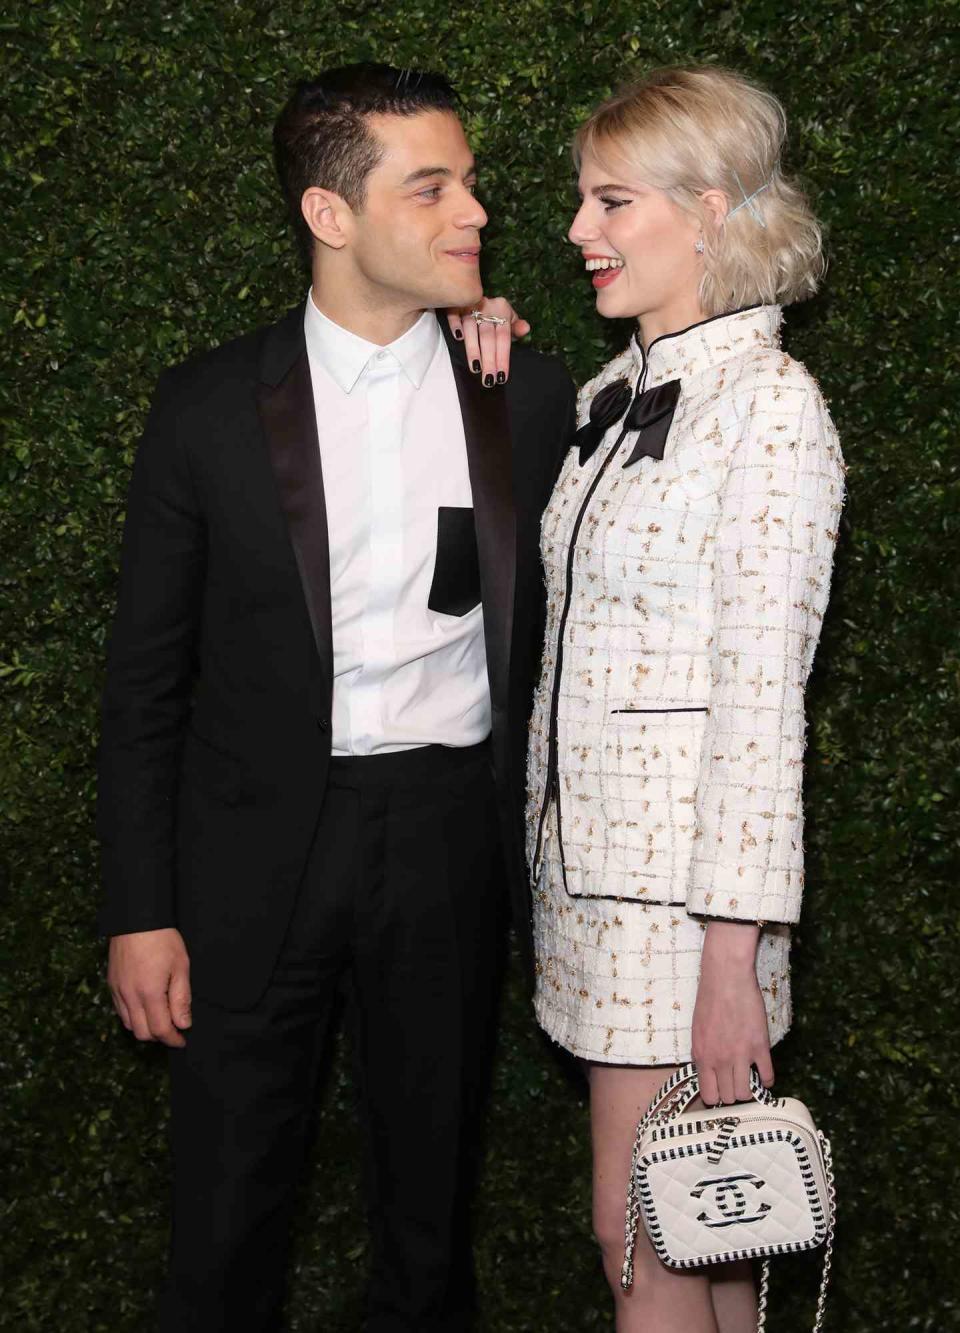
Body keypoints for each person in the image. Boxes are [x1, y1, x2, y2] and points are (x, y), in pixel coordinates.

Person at [96, 61, 575, 1332]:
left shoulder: (523, 392)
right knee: (223, 1211)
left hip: (443, 837)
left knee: (430, 1211)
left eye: (469, 180)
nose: (475, 209)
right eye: (433, 187)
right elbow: (144, 680)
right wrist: (141, 910)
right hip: (252, 850)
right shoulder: (204, 406)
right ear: (330, 215)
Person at [461, 64, 844, 1332]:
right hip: (591, 889)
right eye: (584, 201)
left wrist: (732, 956)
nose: (578, 231)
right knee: (707, 1236)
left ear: (712, 210)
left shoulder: (771, 408)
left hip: (681, 915)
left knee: (646, 1242)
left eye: (611, 201)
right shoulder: (605, 399)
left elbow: (759, 701)